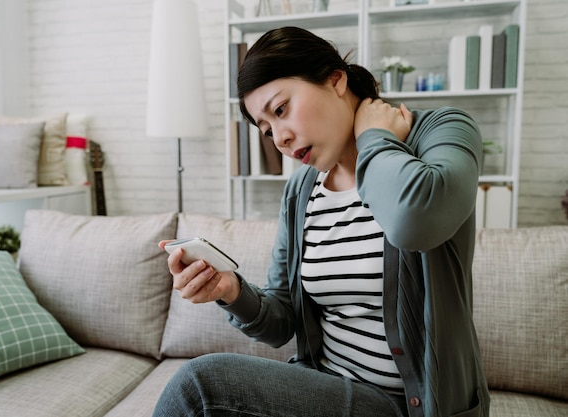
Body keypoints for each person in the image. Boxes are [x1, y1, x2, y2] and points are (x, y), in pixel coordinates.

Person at [154, 26, 489, 417]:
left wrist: (374, 138)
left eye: (281, 110)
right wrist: (231, 291)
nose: (279, 138)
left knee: (200, 386)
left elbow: (415, 222)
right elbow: (282, 323)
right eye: (267, 129)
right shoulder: (301, 191)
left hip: (413, 407)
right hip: (326, 391)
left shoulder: (443, 131)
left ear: (335, 79)